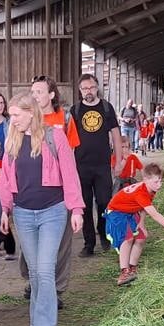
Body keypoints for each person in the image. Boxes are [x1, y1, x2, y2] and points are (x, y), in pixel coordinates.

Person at [0, 93, 84, 326]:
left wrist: (77, 209)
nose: (12, 120)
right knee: (34, 272)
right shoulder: (12, 141)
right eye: (10, 115)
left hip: (52, 211)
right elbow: (5, 180)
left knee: (45, 270)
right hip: (23, 213)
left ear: (30, 112)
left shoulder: (54, 136)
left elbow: (70, 174)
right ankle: (36, 324)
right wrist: (4, 209)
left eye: (15, 115)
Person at [24, 76, 82, 300]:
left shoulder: (64, 118)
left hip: (58, 193)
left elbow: (72, 155)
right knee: (31, 244)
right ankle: (33, 279)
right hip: (30, 191)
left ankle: (56, 289)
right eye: (33, 92)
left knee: (61, 243)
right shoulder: (27, 118)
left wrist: (71, 190)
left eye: (39, 91)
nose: (35, 96)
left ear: (51, 95)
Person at [69, 74, 124, 257]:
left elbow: (116, 135)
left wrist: (118, 159)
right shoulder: (75, 110)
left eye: (91, 87)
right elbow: (68, 140)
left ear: (97, 87)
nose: (88, 91)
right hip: (80, 166)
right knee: (83, 205)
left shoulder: (106, 108)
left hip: (102, 165)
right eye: (84, 88)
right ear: (80, 90)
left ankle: (103, 233)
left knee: (104, 201)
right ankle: (89, 243)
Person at [103, 163, 164, 286]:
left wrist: (142, 223)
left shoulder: (151, 189)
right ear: (145, 179)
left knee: (140, 238)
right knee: (127, 238)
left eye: (161, 181)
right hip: (116, 212)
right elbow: (154, 214)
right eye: (156, 182)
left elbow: (143, 207)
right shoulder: (141, 192)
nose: (159, 185)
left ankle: (132, 268)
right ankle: (124, 272)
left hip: (130, 212)